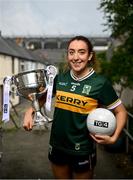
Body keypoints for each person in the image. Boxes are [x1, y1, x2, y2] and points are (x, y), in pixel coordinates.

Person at [23, 35, 127, 179]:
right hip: (57, 145)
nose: (76, 57)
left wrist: (114, 138)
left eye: (81, 52)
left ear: (90, 56)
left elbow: (120, 112)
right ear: (67, 55)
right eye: (71, 52)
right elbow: (41, 99)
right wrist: (30, 111)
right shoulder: (60, 79)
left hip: (82, 150)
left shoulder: (100, 83)